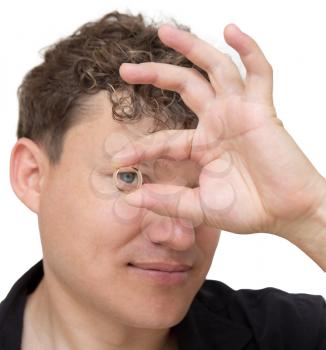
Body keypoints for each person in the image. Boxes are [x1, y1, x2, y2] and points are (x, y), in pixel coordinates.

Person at [0, 10, 325, 350]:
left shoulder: (291, 335)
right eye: (130, 177)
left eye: (200, 184)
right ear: (32, 177)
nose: (178, 235)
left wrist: (310, 214)